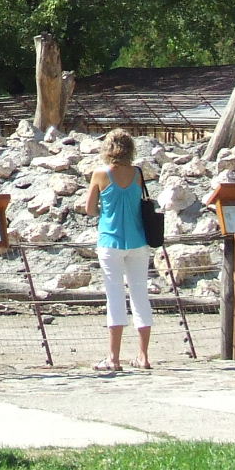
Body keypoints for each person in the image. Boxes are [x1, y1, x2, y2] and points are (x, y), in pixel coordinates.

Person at [84, 128, 153, 372]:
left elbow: (90, 208)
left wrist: (105, 211)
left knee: (114, 296)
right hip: (138, 240)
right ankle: (143, 355)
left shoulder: (101, 174)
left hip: (110, 240)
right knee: (140, 294)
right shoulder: (137, 174)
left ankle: (113, 358)